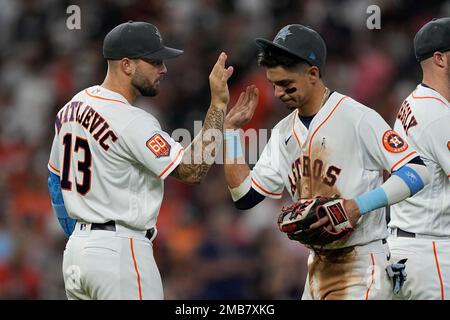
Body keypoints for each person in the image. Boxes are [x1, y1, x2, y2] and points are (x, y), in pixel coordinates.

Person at [222, 24, 430, 300]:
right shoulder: (283, 132)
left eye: (286, 84)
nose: (278, 93)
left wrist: (358, 206)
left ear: (313, 74)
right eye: (274, 84)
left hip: (362, 263)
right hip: (317, 269)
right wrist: (231, 133)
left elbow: (417, 171)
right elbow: (244, 196)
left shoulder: (356, 117)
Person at [47, 21, 237, 300]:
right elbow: (193, 170)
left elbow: (54, 180)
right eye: (155, 61)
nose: (164, 69)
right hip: (120, 253)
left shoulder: (72, 107)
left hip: (77, 256)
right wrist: (218, 106)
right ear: (127, 65)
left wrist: (83, 234)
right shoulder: (132, 120)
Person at [387, 17, 450, 300]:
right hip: (431, 254)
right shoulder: (438, 116)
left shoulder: (412, 101)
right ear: (440, 59)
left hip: (403, 249)